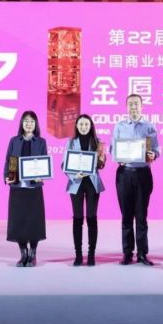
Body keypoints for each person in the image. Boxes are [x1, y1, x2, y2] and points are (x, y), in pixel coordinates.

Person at [112, 94, 160, 266]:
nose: (133, 107)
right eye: (130, 104)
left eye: (136, 104)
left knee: (141, 216)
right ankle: (127, 253)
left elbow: (156, 149)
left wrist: (153, 154)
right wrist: (118, 156)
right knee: (126, 216)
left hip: (143, 174)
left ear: (142, 106)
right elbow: (112, 148)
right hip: (124, 174)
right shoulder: (119, 126)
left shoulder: (149, 126)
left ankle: (142, 254)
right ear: (126, 107)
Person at [4, 110, 47, 267]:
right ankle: (23, 254)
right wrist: (6, 177)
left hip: (34, 188)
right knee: (19, 221)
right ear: (21, 123)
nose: (29, 124)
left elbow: (43, 162)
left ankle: (33, 254)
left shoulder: (41, 142)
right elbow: (8, 160)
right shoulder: (14, 141)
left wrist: (42, 175)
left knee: (34, 222)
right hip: (17, 187)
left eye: (32, 121)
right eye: (26, 121)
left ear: (36, 124)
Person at [64, 114, 106, 266]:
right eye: (81, 124)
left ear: (91, 126)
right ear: (76, 126)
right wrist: (74, 175)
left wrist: (101, 159)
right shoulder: (70, 142)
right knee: (77, 219)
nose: (83, 127)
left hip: (92, 184)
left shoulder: (98, 142)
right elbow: (64, 164)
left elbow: (102, 164)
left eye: (86, 124)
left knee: (91, 218)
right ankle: (78, 255)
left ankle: (91, 254)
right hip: (76, 183)